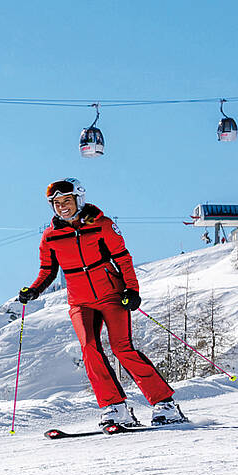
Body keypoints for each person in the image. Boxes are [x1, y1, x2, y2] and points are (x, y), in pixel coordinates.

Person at [17, 178, 187, 428]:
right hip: (80, 302)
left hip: (111, 295)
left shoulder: (102, 225)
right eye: (56, 203)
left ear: (78, 199)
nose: (62, 207)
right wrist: (33, 290)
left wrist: (131, 289)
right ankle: (115, 407)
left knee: (121, 348)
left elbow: (123, 258)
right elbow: (47, 271)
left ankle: (165, 404)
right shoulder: (50, 237)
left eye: (66, 201)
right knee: (89, 348)